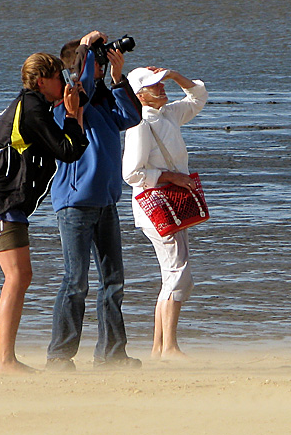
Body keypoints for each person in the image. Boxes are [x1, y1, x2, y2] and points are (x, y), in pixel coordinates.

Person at [0, 53, 88, 374]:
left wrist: (73, 102)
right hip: (0, 200)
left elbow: (69, 143)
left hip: (6, 199)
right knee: (18, 276)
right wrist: (71, 114)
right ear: (41, 82)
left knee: (21, 276)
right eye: (58, 77)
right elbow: (67, 150)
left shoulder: (36, 105)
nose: (63, 82)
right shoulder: (34, 109)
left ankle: (6, 358)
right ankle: (5, 361)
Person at [45, 31, 143, 370]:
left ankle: (111, 354)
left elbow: (131, 117)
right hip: (75, 203)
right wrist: (86, 46)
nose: (99, 66)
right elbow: (81, 77)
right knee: (76, 282)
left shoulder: (100, 104)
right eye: (97, 62)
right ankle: (59, 356)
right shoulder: (70, 101)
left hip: (105, 202)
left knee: (113, 282)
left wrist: (118, 78)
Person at [121, 66, 208, 358]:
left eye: (161, 85)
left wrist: (174, 75)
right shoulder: (140, 125)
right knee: (179, 273)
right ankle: (169, 347)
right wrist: (171, 177)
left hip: (170, 206)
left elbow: (198, 97)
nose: (161, 89)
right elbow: (131, 173)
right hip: (155, 207)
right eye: (154, 86)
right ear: (139, 95)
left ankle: (160, 347)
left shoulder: (167, 114)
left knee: (171, 273)